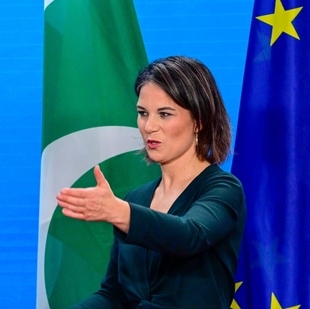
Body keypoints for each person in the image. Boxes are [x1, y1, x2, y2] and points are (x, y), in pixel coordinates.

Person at [56, 56, 246, 308]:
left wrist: (121, 213)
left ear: (199, 121)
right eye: (142, 113)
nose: (149, 126)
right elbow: (114, 295)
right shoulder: (136, 199)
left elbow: (190, 235)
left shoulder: (223, 189)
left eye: (165, 114)